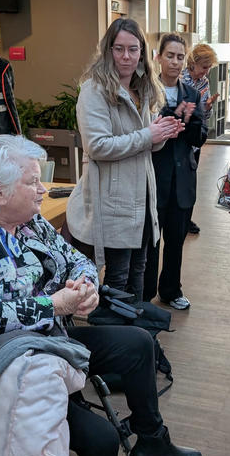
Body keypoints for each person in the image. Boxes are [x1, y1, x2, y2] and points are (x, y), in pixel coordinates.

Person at [0, 135, 202, 456]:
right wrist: (51, 304)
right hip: (1, 366)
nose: (43, 189)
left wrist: (84, 287)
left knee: (139, 343)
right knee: (102, 438)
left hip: (47, 344)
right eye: (32, 182)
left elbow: (76, 260)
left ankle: (153, 441)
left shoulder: (27, 222)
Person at [66, 18, 183, 301]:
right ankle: (119, 341)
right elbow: (97, 146)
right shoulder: (93, 90)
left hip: (141, 200)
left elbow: (148, 145)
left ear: (143, 51)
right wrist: (148, 134)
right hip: (113, 200)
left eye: (133, 49)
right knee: (117, 279)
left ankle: (138, 340)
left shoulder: (142, 88)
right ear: (108, 50)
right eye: (119, 49)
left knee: (139, 274)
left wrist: (162, 134)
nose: (126, 57)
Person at [143, 34, 207, 310]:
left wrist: (187, 121)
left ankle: (171, 289)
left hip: (182, 178)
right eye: (170, 55)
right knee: (150, 241)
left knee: (176, 239)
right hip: (153, 175)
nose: (175, 62)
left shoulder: (191, 94)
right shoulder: (145, 90)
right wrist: (170, 117)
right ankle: (144, 294)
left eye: (181, 57)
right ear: (158, 57)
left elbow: (200, 136)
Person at [181, 43, 220, 235]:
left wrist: (207, 108)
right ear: (193, 63)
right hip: (178, 139)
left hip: (194, 141)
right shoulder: (179, 79)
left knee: (190, 185)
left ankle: (186, 220)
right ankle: (177, 221)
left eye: (209, 68)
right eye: (204, 67)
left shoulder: (204, 82)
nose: (206, 72)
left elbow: (205, 114)